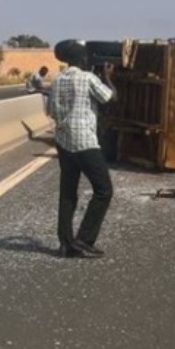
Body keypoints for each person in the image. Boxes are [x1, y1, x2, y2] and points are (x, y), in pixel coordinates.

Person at [46, 43, 116, 258]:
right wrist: (107, 76)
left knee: (68, 193)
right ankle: (84, 240)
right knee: (104, 190)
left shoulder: (57, 79)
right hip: (84, 141)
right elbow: (111, 98)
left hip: (63, 141)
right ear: (82, 59)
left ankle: (66, 243)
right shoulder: (87, 78)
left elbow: (51, 110)